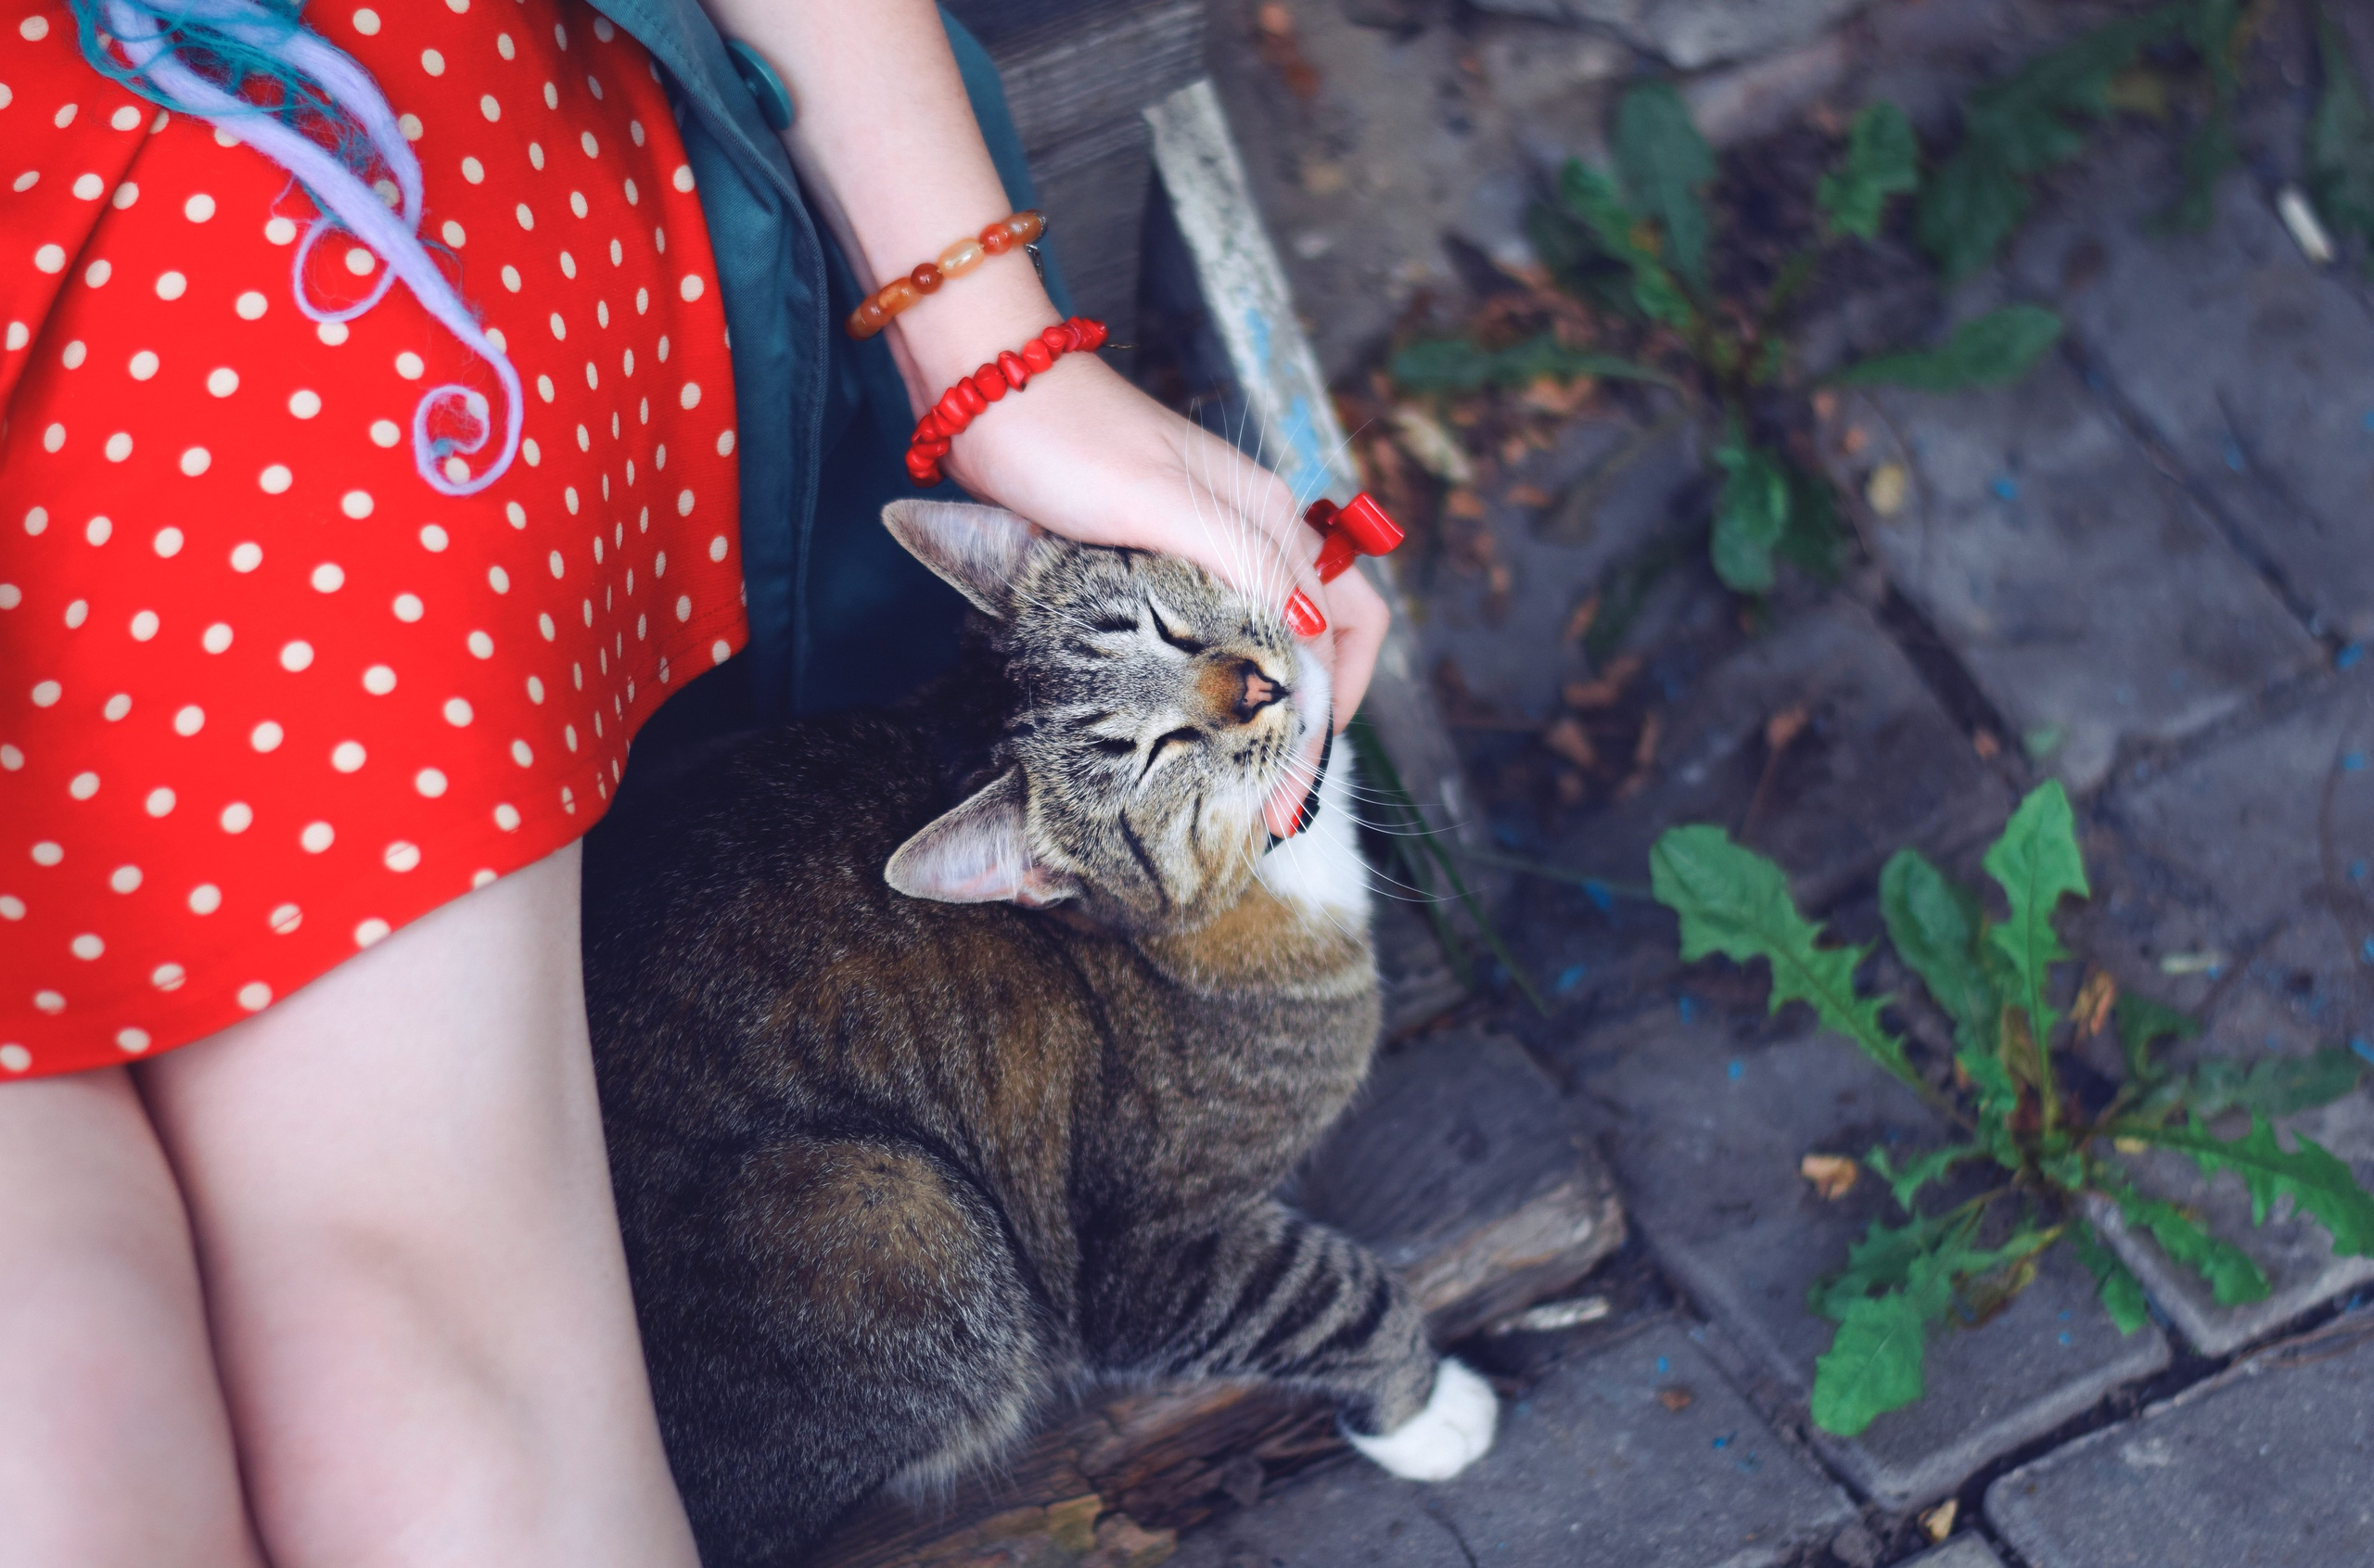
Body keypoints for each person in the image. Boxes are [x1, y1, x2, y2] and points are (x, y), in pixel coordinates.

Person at [0, 0, 1387, 1562]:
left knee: (255, 1400)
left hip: (224, 216)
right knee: (143, 1412)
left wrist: (999, 360)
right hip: (225, 238)